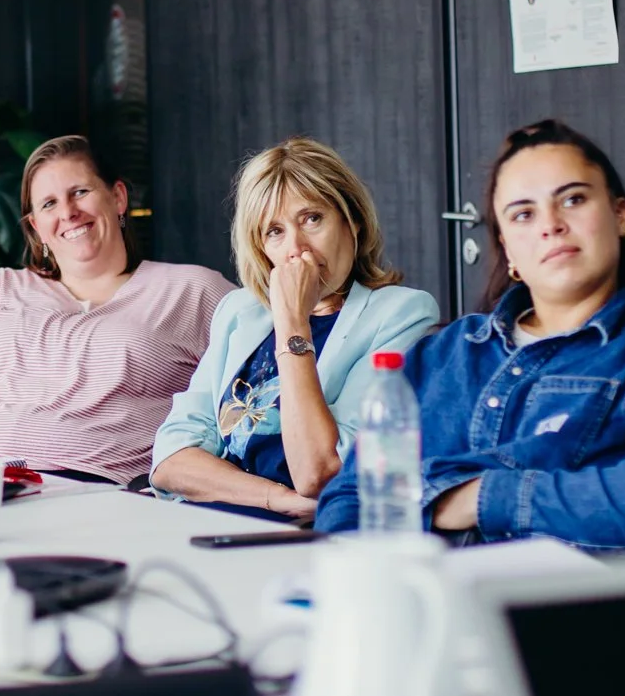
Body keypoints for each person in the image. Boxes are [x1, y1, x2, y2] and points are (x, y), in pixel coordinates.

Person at [315, 118, 625, 550]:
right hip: (427, 588)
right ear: (507, 247)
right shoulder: (443, 355)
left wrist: (483, 497)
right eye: (524, 213)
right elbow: (347, 502)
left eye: (573, 199)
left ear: (620, 215)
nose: (551, 224)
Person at [0, 135, 232, 485]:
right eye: (49, 204)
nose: (67, 212)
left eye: (80, 192)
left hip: (100, 489)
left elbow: (262, 384)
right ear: (36, 227)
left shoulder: (194, 290)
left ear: (118, 198)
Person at [150, 138, 439, 519]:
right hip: (222, 517)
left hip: (306, 534)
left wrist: (292, 322)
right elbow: (170, 460)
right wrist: (275, 497)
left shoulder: (402, 314)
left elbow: (320, 471)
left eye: (312, 219)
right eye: (275, 231)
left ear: (352, 221)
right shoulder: (239, 310)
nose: (296, 248)